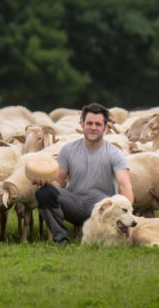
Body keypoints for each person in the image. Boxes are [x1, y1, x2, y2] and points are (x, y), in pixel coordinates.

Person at [33, 102, 133, 245]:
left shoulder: (115, 153)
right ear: (82, 124)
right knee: (43, 193)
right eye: (89, 123)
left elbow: (125, 186)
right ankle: (61, 239)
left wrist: (127, 215)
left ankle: (104, 238)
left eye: (98, 124)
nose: (93, 128)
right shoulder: (68, 150)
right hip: (74, 203)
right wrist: (46, 183)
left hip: (102, 209)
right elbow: (58, 182)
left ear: (105, 127)